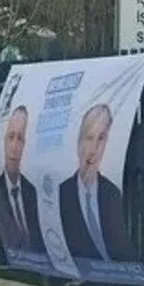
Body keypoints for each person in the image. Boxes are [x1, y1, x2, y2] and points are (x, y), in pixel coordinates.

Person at [58, 103, 131, 260]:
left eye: (101, 139)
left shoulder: (112, 193)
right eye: (89, 138)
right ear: (79, 142)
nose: (94, 149)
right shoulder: (62, 194)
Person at [0, 106, 44, 252]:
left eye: (20, 139)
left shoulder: (32, 191)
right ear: (4, 141)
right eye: (11, 137)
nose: (14, 147)